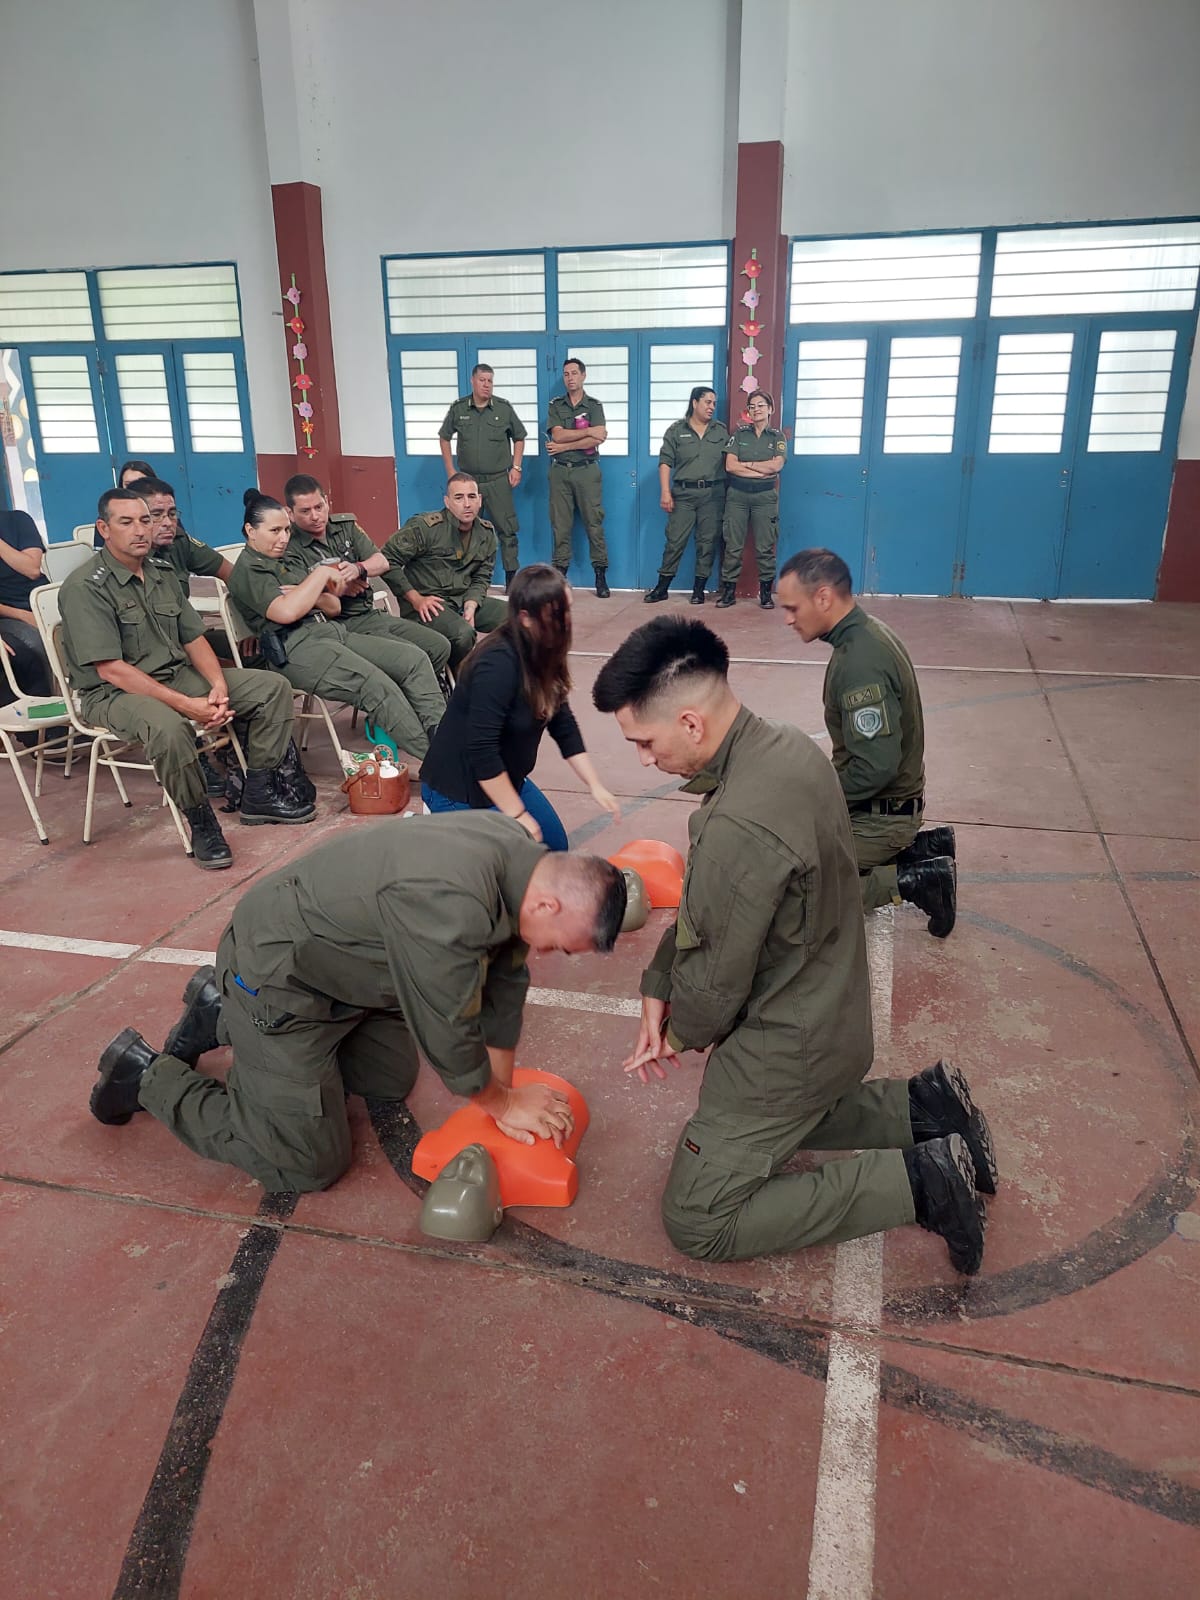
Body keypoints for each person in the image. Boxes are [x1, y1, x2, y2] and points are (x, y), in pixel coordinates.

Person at [591, 615, 995, 1274]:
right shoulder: (786, 747)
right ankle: (923, 1106)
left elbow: (715, 983)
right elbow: (712, 909)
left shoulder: (737, 825)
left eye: (644, 741)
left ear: (690, 723)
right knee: (787, 1119)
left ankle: (921, 1184)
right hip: (833, 1018)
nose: (644, 759)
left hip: (787, 1049)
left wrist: (678, 1028)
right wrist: (658, 981)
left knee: (697, 1218)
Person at [87, 813, 628, 1194]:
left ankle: (218, 1008)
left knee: (389, 1079)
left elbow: (507, 978)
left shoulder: (517, 855)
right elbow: (449, 1031)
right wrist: (500, 1103)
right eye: (558, 941)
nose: (547, 951)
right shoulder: (449, 907)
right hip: (279, 983)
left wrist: (504, 1093)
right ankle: (146, 1073)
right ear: (548, 902)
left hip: (340, 974)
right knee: (308, 1162)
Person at [58, 489, 314, 870]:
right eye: (126, 522)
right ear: (103, 529)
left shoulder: (160, 573)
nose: (141, 530)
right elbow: (109, 668)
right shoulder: (85, 587)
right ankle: (201, 821)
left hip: (176, 676)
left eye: (146, 520)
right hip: (112, 693)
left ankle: (259, 789)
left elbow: (193, 637)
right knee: (171, 727)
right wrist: (188, 705)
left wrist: (219, 687)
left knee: (270, 688)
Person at [776, 548, 956, 936]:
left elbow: (875, 766)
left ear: (823, 597)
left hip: (880, 815)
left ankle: (914, 880)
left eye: (792, 608)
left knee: (791, 891)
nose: (788, 619)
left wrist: (814, 798)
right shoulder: (866, 633)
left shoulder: (860, 661)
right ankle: (921, 851)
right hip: (888, 805)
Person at [228, 490, 444, 767]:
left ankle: (443, 739)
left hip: (329, 631)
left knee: (412, 659)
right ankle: (440, 764)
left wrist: (306, 593)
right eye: (275, 531)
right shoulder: (248, 570)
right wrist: (319, 577)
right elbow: (285, 612)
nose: (284, 538)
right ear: (250, 530)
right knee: (375, 685)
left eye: (285, 530)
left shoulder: (281, 562)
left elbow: (333, 607)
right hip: (295, 649)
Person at [421, 564, 620, 850]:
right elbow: (482, 750)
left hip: (507, 777)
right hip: (459, 788)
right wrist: (518, 814)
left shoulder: (545, 651)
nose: (567, 621)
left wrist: (594, 784)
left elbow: (562, 723)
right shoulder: (497, 663)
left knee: (554, 846)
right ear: (525, 618)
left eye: (568, 609)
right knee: (514, 862)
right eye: (557, 613)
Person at [283, 474, 452, 678]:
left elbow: (382, 562)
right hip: (335, 626)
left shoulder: (344, 526)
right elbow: (301, 593)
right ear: (290, 514)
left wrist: (358, 569)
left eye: (319, 507)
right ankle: (411, 699)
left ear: (327, 502)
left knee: (439, 645)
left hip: (368, 614)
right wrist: (340, 586)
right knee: (411, 656)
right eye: (305, 511)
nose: (315, 516)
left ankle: (416, 693)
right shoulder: (288, 546)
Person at [379, 473, 508, 672]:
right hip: (427, 605)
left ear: (479, 500)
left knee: (518, 617)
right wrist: (415, 599)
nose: (467, 504)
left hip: (463, 599)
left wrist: (472, 604)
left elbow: (482, 576)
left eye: (472, 497)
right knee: (463, 634)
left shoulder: (486, 533)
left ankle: (497, 670)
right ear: (447, 502)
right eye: (459, 497)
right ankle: (453, 678)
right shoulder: (425, 528)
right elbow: (387, 560)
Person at [439, 365, 527, 591]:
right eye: (482, 380)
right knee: (464, 528)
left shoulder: (503, 409)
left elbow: (519, 437)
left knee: (507, 530)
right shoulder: (459, 409)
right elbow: (444, 437)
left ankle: (511, 580)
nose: (487, 385)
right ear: (473, 381)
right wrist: (450, 470)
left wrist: (516, 467)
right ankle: (465, 578)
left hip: (498, 481)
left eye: (490, 381)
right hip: (469, 482)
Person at [645, 387, 730, 607]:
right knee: (675, 541)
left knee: (707, 542)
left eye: (714, 403)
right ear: (694, 403)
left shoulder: (720, 431)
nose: (712, 407)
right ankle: (662, 587)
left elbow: (731, 462)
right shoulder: (676, 430)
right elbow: (665, 462)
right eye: (707, 402)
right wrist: (665, 491)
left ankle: (699, 590)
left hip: (713, 495)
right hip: (683, 495)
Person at [716, 389, 786, 610]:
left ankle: (765, 594)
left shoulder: (777, 437)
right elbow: (730, 466)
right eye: (752, 406)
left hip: (765, 497)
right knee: (732, 545)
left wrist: (746, 465)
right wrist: (760, 469)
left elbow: (776, 466)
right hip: (737, 496)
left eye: (761, 405)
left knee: (765, 546)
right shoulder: (739, 434)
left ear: (770, 409)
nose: (756, 409)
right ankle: (728, 593)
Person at [546, 358, 609, 598]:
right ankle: (559, 580)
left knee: (594, 523)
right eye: (566, 374)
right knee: (560, 526)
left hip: (587, 470)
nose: (570, 378)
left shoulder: (594, 405)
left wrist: (563, 445)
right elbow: (558, 435)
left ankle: (600, 577)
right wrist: (587, 432)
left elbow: (598, 438)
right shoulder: (556, 405)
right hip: (560, 471)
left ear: (583, 375)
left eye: (574, 373)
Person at [129, 476, 232, 599]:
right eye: (157, 515)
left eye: (172, 514)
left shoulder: (179, 540)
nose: (167, 523)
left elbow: (230, 573)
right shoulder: (125, 554)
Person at [0, 505, 53, 704]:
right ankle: (54, 719)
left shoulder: (18, 520)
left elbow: (31, 569)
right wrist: (22, 615)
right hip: (9, 614)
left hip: (44, 602)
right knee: (38, 645)